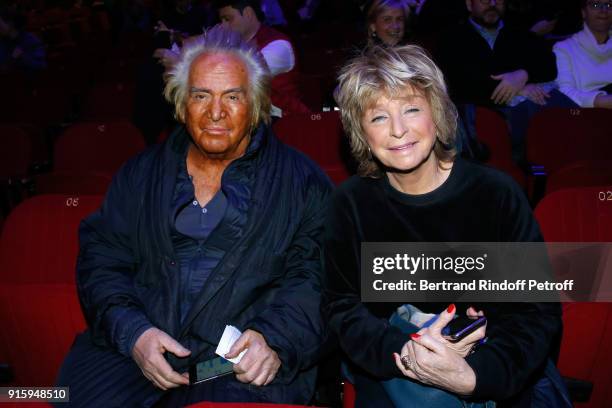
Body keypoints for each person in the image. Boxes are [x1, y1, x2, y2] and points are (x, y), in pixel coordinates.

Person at [56, 25, 331, 407]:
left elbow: (314, 279)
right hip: (136, 358)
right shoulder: (139, 175)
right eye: (201, 95)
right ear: (181, 103)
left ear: (255, 105)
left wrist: (276, 340)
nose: (215, 112)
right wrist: (134, 334)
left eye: (232, 96)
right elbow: (102, 262)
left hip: (239, 366)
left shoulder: (303, 183)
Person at [323, 44, 562, 407]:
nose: (398, 130)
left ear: (436, 114)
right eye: (378, 117)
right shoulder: (351, 202)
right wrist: (408, 352)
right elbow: (342, 308)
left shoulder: (496, 194)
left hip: (490, 369)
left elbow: (535, 311)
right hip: (392, 372)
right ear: (362, 133)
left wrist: (474, 376)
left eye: (411, 109)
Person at [436, 0, 576, 165]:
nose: (492, 4)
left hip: (524, 110)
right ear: (469, 4)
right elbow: (456, 83)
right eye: (484, 0)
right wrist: (515, 89)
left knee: (559, 106)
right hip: (480, 116)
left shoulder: (519, 32)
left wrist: (523, 75)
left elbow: (548, 65)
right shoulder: (452, 37)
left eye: (499, 0)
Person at [214, 0, 310, 116]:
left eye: (228, 19)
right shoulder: (230, 45)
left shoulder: (278, 44)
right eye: (221, 21)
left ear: (248, 13)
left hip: (286, 123)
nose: (223, 26)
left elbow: (239, 78)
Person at [553, 0, 612, 109]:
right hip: (582, 119)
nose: (604, 10)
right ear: (583, 12)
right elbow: (564, 93)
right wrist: (600, 100)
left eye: (609, 5)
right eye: (595, 4)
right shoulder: (564, 48)